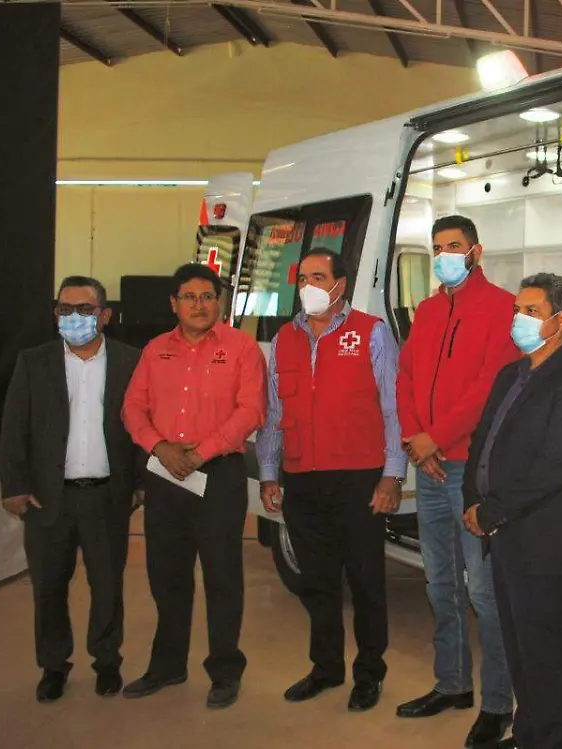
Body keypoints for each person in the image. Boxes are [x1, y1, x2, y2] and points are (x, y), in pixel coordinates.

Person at [255, 248, 406, 711]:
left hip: (358, 479)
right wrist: (268, 472)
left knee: (365, 581)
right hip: (302, 479)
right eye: (303, 278)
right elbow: (274, 412)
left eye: (318, 277)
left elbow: (393, 407)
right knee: (317, 583)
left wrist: (392, 475)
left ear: (341, 283)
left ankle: (369, 673)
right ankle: (325, 668)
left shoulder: (371, 332)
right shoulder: (285, 339)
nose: (309, 286)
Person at [461, 273, 562, 749]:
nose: (519, 319)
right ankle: (529, 735)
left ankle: (557, 740)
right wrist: (472, 498)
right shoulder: (511, 374)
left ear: (561, 320)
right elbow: (483, 442)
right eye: (517, 310)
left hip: (545, 541)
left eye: (532, 311)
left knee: (549, 652)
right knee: (521, 648)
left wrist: (493, 511)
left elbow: (557, 464)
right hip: (504, 537)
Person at [395, 215, 519, 747]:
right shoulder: (426, 311)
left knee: (485, 593)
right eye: (438, 247)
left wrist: (436, 439)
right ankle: (452, 684)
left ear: (475, 251)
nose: (445, 255)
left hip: (471, 471)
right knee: (440, 583)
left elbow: (489, 388)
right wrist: (414, 439)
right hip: (428, 467)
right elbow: (405, 378)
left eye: (454, 246)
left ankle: (497, 704)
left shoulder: (502, 308)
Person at [120, 263, 266, 710]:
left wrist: (200, 454)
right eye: (189, 297)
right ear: (174, 304)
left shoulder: (242, 349)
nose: (199, 305)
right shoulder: (155, 350)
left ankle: (224, 671)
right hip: (165, 473)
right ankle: (168, 665)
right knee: (166, 574)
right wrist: (159, 447)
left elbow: (251, 411)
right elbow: (132, 408)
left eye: (207, 297)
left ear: (219, 302)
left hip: (218, 474)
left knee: (222, 576)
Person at [0, 276, 143, 702]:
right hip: (47, 498)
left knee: (108, 586)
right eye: (65, 309)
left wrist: (139, 483)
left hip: (106, 497)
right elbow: (14, 427)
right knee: (48, 588)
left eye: (84, 309)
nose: (73, 317)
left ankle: (107, 662)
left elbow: (143, 426)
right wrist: (15, 486)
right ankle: (53, 666)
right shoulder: (33, 362)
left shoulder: (130, 362)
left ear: (105, 315)